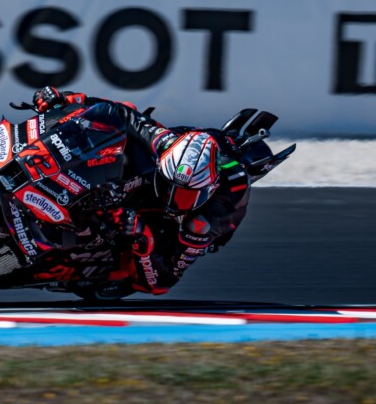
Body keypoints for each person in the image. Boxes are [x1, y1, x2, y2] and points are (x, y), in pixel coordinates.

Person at [28, 85, 275, 297]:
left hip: (171, 233)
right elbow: (119, 112)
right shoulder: (164, 142)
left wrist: (142, 236)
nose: (174, 200)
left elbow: (163, 282)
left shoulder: (208, 219)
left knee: (140, 272)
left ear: (208, 189)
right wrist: (68, 99)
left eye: (186, 195)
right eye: (171, 188)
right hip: (178, 159)